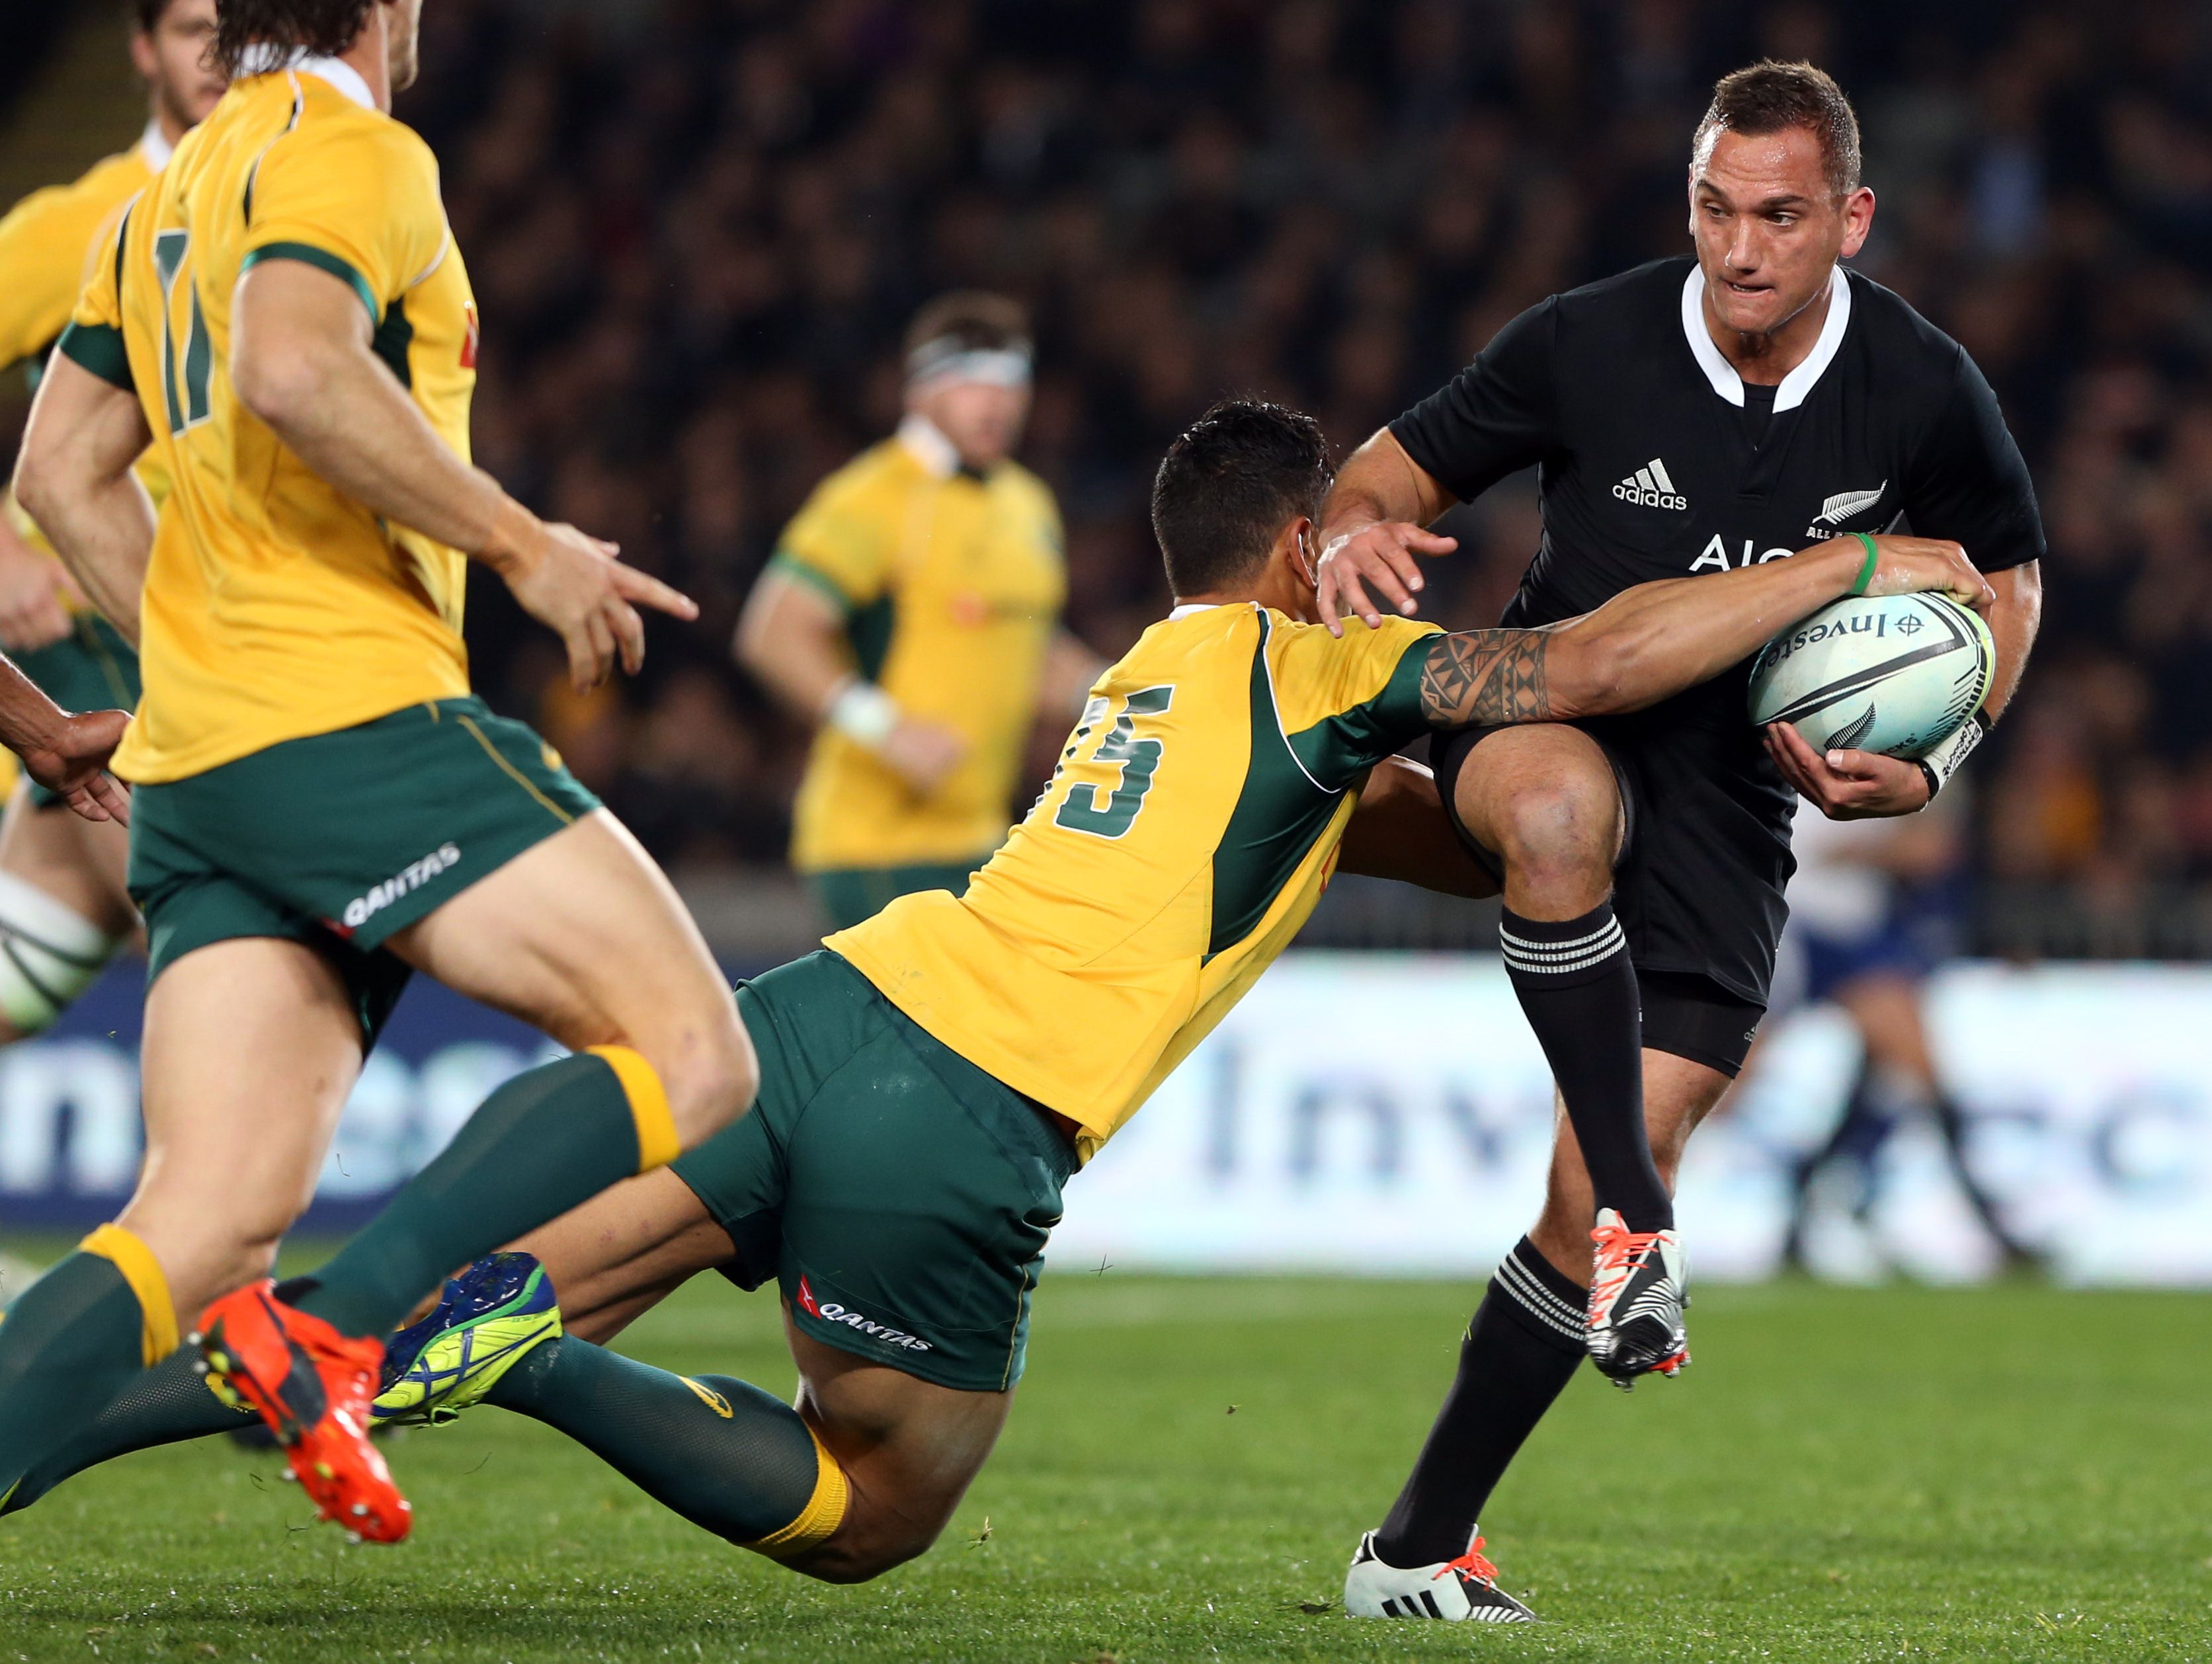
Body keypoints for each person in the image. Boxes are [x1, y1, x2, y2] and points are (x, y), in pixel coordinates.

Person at [1, 401, 1992, 1610]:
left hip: (814, 1012)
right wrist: (1836, 567)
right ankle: (522, 1352)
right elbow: (1584, 658)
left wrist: (1519, 848)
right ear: (1302, 556)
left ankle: (59, 1419)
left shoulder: (1142, 673)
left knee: (337, 1332)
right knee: (871, 1505)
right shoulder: (1312, 673)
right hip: (959, 1118)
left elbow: (1354, 844)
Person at [0, 0, 755, 1544]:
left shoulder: (165, 193)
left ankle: (275, 1322)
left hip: (203, 767)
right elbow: (291, 367)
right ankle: (336, 1328)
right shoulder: (355, 148)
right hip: (346, 722)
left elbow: (58, 472)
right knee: (696, 1054)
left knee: (198, 1223)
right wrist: (523, 542)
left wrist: (184, 667)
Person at [1313, 60, 2045, 1620]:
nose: (1738, 248)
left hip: (1734, 799)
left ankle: (1415, 1547)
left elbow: (2009, 585)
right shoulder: (1587, 340)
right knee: (1558, 809)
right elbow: (1384, 468)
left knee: (1571, 1208)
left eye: (1778, 216)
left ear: (1845, 217)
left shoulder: (1918, 383)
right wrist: (1360, 520)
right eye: (1714, 209)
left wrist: (1932, 763)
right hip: (1541, 720)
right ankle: (1637, 1204)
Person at [735, 292, 1104, 930]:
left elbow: (1025, 648)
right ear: (919, 390)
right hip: (875, 844)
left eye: (1009, 383)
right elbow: (772, 632)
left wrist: (1119, 692)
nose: (994, 402)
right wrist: (883, 727)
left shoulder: (1027, 503)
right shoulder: (874, 496)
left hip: (983, 838)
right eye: (969, 381)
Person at [0, 0, 224, 1041]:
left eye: (240, 28)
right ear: (141, 49)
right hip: (75, 656)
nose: (219, 55)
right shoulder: (72, 226)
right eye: (191, 29)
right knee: (235, 969)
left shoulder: (290, 216)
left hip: (208, 647)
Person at [1769, 804, 2035, 1275]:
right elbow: (1831, 850)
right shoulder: (1795, 759)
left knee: (1911, 1073)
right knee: (1720, 1083)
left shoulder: (1882, 751)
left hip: (1854, 939)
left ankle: (1991, 1226)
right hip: (1793, 929)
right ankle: (1642, 1211)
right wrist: (1890, 850)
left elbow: (1922, 849)